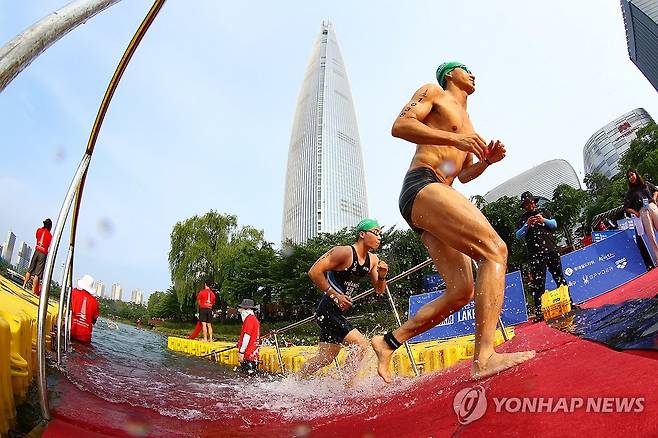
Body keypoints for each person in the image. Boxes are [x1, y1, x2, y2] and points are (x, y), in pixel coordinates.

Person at [371, 62, 535, 383]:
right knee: (495, 251)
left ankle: (388, 342)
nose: (473, 74)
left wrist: (486, 161)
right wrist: (454, 138)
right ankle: (484, 357)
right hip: (422, 184)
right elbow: (400, 126)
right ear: (450, 74)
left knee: (462, 290)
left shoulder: (470, 126)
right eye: (466, 69)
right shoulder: (434, 93)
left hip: (437, 194)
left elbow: (463, 174)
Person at [298, 218, 388, 384]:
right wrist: (335, 295)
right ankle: (346, 387)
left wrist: (382, 276)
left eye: (380, 234)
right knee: (361, 345)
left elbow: (379, 290)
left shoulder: (373, 260)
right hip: (327, 310)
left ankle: (294, 381)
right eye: (376, 232)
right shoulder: (344, 252)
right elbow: (314, 272)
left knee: (325, 358)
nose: (379, 237)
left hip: (336, 312)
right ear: (362, 234)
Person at [515, 191, 568, 321]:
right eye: (527, 203)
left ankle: (569, 302)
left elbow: (554, 225)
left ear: (534, 202)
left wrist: (543, 220)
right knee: (539, 283)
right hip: (535, 255)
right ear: (524, 206)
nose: (530, 205)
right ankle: (539, 312)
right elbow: (518, 235)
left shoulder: (543, 211)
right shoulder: (522, 219)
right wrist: (527, 224)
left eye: (532, 202)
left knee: (559, 277)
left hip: (551, 250)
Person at [624, 168, 658, 261]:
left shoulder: (645, 184)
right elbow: (626, 207)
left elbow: (655, 190)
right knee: (651, 235)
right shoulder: (630, 192)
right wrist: (635, 212)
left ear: (636, 174)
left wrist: (654, 199)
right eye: (629, 176)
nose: (631, 177)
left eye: (632, 174)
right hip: (642, 211)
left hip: (652, 206)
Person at [23, 218, 53, 295]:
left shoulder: (39, 230)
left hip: (37, 250)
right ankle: (33, 290)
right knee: (38, 273)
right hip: (43, 253)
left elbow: (37, 237)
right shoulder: (50, 235)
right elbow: (49, 245)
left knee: (30, 269)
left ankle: (24, 285)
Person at [70, 274, 100, 343]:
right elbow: (94, 321)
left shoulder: (74, 292)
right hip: (85, 337)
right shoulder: (95, 302)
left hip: (71, 331)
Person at [236, 298, 260, 375]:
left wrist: (241, 352)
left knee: (247, 378)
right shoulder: (253, 319)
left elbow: (247, 336)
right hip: (253, 355)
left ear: (246, 309)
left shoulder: (249, 319)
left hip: (248, 355)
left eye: (241, 309)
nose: (240, 311)